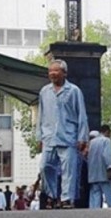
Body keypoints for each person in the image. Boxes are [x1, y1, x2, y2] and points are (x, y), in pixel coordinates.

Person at [35, 59, 89, 209]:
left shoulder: (74, 91)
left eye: (56, 71)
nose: (53, 74)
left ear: (64, 73)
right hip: (49, 136)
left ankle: (66, 198)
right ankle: (51, 195)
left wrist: (82, 137)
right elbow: (41, 114)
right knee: (45, 167)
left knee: (69, 170)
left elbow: (82, 115)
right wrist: (39, 136)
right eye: (50, 71)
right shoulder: (44, 92)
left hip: (68, 136)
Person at [87, 124, 111, 209]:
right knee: (109, 196)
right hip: (103, 173)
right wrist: (109, 167)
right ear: (107, 132)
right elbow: (106, 155)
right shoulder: (106, 141)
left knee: (95, 196)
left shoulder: (91, 143)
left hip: (93, 174)